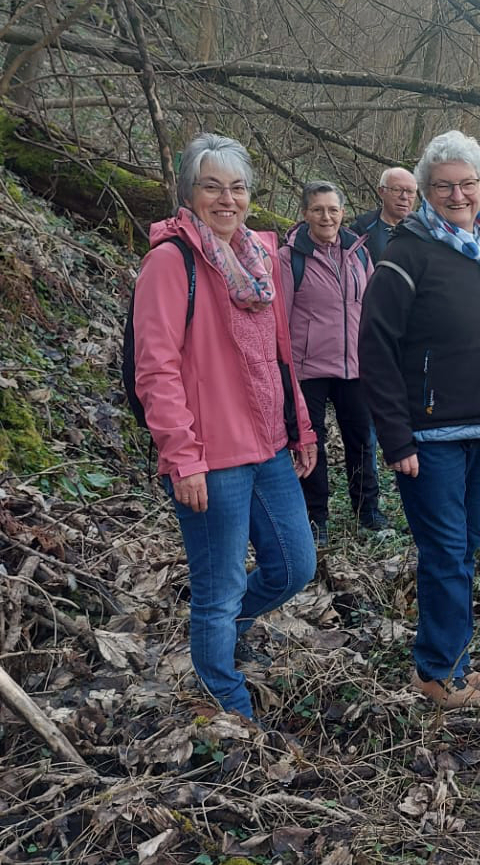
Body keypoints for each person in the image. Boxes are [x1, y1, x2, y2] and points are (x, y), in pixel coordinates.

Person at [132, 133, 317, 721]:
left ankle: (228, 633)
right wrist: (181, 457)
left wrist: (302, 428)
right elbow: (155, 369)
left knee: (295, 566)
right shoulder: (170, 261)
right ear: (189, 192)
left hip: (267, 448)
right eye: (212, 186)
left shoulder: (260, 259)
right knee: (217, 591)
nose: (226, 199)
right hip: (209, 457)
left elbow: (280, 354)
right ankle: (227, 702)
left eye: (237, 187)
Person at [359, 130, 480, 708]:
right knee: (444, 551)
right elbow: (376, 350)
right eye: (444, 186)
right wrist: (395, 437)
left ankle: (450, 662)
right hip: (428, 438)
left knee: (462, 550)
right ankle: (436, 673)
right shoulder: (405, 253)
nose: (457, 194)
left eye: (466, 184)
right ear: (427, 190)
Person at [279, 180, 387, 545]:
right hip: (307, 368)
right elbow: (280, 317)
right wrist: (285, 369)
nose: (326, 216)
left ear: (343, 212)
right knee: (312, 445)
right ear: (305, 213)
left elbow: (371, 306)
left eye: (333, 209)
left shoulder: (358, 252)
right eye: (318, 209)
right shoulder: (289, 258)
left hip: (355, 366)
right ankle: (316, 518)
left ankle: (367, 510)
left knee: (361, 439)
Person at [351, 166, 418, 259]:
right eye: (397, 190)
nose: (404, 197)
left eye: (410, 191)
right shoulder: (361, 230)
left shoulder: (424, 232)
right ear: (381, 192)